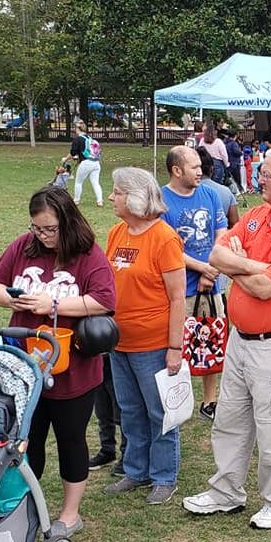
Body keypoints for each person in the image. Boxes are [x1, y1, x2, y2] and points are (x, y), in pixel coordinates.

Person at [182, 147, 271, 530]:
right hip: (240, 340)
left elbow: (265, 289)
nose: (259, 178)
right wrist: (255, 266)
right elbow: (217, 253)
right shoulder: (258, 215)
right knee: (229, 420)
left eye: (267, 174)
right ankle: (226, 492)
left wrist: (239, 267)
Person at [0, 185, 115, 536]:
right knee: (26, 439)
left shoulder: (88, 254)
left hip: (71, 369)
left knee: (71, 438)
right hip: (25, 368)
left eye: (49, 229)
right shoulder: (23, 247)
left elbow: (104, 300)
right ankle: (23, 505)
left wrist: (53, 305)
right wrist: (9, 299)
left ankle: (70, 514)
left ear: (68, 222)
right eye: (37, 228)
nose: (42, 236)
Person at [104, 167, 186, 505]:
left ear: (136, 198)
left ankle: (164, 476)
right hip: (119, 342)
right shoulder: (116, 233)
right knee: (130, 410)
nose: (111, 197)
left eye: (118, 192)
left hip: (153, 345)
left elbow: (178, 298)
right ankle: (136, 470)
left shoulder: (164, 238)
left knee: (159, 413)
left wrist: (175, 346)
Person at [160, 145, 229, 421]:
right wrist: (202, 269)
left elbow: (221, 233)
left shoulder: (209, 194)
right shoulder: (162, 201)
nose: (201, 171)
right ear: (177, 170)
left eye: (200, 166)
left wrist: (210, 271)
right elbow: (167, 247)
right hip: (180, 289)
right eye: (194, 167)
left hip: (212, 285)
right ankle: (178, 399)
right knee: (180, 344)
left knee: (211, 340)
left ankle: (210, 401)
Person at [65, 120, 103, 206]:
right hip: (96, 163)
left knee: (78, 182)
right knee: (95, 182)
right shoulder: (90, 139)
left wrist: (65, 159)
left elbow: (73, 153)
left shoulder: (78, 139)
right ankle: (99, 201)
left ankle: (76, 200)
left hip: (86, 163)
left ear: (77, 129)